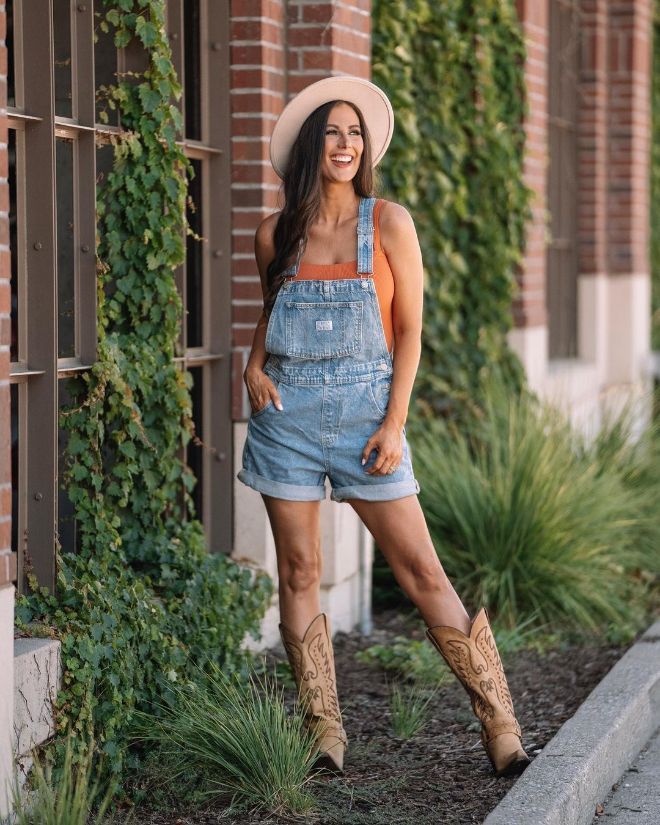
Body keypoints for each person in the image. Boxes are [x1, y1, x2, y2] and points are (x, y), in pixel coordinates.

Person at [237, 76, 530, 778]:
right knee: (302, 568)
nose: (346, 143)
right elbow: (271, 313)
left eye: (355, 133)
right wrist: (251, 365)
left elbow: (411, 331)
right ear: (313, 146)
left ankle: (501, 724)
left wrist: (395, 421)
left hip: (371, 418)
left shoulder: (389, 223)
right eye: (333, 133)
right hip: (289, 417)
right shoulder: (274, 233)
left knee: (421, 568)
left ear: (366, 148)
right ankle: (325, 735)